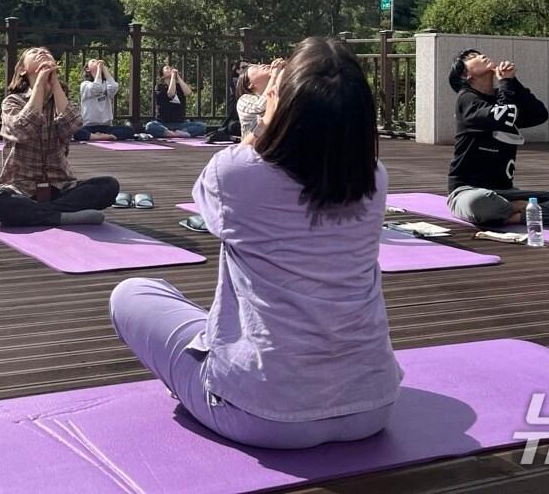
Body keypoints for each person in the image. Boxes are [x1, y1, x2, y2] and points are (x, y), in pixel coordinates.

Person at [110, 37, 400, 449]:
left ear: (281, 101)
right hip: (372, 406)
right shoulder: (374, 177)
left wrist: (264, 114)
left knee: (133, 293)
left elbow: (227, 188)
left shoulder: (236, 173)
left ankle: (204, 385)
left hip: (260, 412)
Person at [0, 47, 120, 227]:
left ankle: (38, 214)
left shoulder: (61, 100)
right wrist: (38, 85)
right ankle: (60, 216)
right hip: (22, 189)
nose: (42, 52)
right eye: (34, 52)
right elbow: (21, 131)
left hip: (61, 187)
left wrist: (54, 84)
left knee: (108, 186)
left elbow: (73, 127)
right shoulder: (13, 101)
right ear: (22, 70)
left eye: (46, 52)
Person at [446, 49, 549, 226]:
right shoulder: (466, 99)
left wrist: (511, 81)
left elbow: (539, 114)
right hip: (468, 191)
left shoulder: (505, 94)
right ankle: (520, 210)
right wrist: (505, 84)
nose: (481, 56)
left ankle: (513, 214)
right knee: (480, 202)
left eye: (478, 54)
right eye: (471, 58)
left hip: (506, 192)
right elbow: (504, 116)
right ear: (466, 74)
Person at [74, 58, 135, 141]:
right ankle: (101, 137)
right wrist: (99, 69)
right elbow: (96, 88)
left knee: (129, 130)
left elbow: (114, 87)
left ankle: (101, 136)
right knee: (77, 132)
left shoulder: (106, 84)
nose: (96, 62)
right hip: (89, 127)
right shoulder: (85, 85)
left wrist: (104, 70)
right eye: (93, 61)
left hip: (105, 127)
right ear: (87, 69)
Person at [145, 65, 208, 139]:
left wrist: (178, 77)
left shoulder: (179, 87)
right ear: (162, 75)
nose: (170, 69)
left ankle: (175, 133)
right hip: (163, 123)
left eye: (171, 68)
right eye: (167, 68)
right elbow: (171, 93)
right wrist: (172, 77)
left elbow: (188, 92)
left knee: (201, 126)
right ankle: (174, 134)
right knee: (150, 126)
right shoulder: (159, 87)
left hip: (180, 124)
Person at [236, 59, 284, 139]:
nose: (262, 65)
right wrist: (274, 76)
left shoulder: (279, 92)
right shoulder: (243, 100)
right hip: (253, 149)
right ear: (250, 84)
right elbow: (260, 107)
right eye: (256, 67)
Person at [206, 59, 244, 144]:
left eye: (249, 67)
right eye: (243, 67)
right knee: (233, 127)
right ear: (237, 70)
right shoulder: (236, 81)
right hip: (239, 119)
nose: (246, 70)